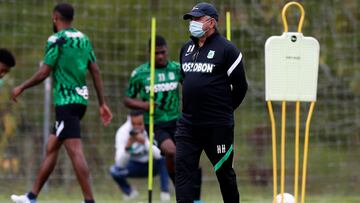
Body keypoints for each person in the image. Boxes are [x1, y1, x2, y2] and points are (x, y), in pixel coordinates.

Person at [10, 3, 112, 203]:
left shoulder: (56, 40)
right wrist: (102, 103)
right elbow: (96, 71)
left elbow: (44, 72)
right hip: (81, 100)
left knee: (74, 149)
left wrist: (21, 87)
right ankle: (31, 197)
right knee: (52, 147)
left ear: (55, 17)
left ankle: (89, 200)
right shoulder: (83, 39)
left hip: (66, 102)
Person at [176, 2, 248, 203]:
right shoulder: (186, 49)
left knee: (224, 174)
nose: (193, 23)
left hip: (217, 126)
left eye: (198, 19)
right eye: (192, 19)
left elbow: (241, 87)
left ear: (212, 22)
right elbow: (187, 80)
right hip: (188, 125)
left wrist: (224, 110)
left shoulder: (228, 50)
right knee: (183, 172)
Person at [124, 35, 203, 202]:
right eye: (156, 53)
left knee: (190, 159)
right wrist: (144, 105)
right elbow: (128, 99)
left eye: (163, 52)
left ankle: (195, 198)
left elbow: (191, 86)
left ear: (167, 51)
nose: (160, 56)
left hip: (178, 121)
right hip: (156, 124)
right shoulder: (140, 73)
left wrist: (189, 105)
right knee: (172, 152)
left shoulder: (176, 68)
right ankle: (180, 190)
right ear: (149, 53)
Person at [109, 110, 171, 201]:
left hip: (153, 165)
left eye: (140, 124)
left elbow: (159, 155)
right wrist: (128, 147)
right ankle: (130, 193)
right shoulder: (122, 132)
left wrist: (144, 142)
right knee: (114, 171)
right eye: (134, 124)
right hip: (134, 166)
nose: (136, 127)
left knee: (166, 155)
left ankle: (165, 193)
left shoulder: (153, 128)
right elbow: (119, 164)